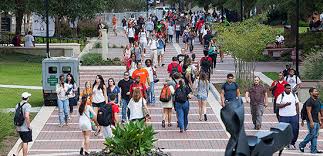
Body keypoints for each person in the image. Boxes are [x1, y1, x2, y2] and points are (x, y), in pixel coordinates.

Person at [299, 87, 323, 154]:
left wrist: (320, 121)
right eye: (315, 91)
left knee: (315, 135)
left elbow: (318, 112)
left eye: (317, 91)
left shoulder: (318, 100)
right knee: (312, 134)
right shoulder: (309, 101)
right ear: (311, 93)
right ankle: (302, 144)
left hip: (317, 121)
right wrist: (311, 122)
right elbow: (308, 112)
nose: (317, 92)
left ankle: (313, 150)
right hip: (311, 121)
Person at [276, 84, 300, 150]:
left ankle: (292, 143)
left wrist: (297, 114)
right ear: (284, 89)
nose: (289, 89)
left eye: (290, 88)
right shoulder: (281, 96)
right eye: (287, 88)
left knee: (295, 130)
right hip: (283, 116)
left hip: (293, 116)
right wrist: (285, 104)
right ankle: (284, 144)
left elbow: (297, 104)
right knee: (283, 131)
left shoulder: (294, 95)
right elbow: (277, 105)